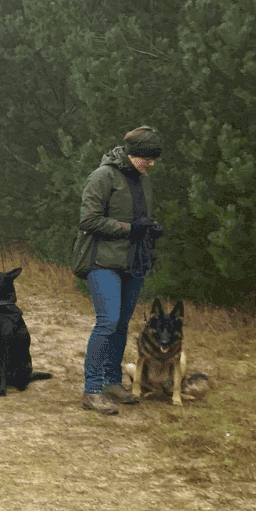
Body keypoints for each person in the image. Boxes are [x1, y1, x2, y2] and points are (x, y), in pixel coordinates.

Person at [71, 126, 164, 415]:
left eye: (153, 159)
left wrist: (149, 229)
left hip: (134, 261)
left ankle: (112, 382)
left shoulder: (143, 180)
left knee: (122, 324)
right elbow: (88, 220)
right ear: (130, 153)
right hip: (103, 261)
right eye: (145, 158)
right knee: (107, 322)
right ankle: (92, 389)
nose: (150, 164)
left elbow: (138, 216)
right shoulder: (103, 176)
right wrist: (130, 229)